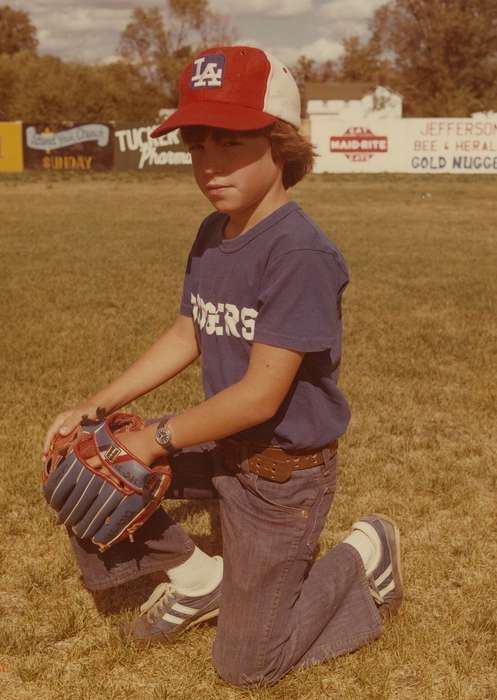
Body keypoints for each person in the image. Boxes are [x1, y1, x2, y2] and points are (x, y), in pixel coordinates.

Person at [42, 45, 403, 688]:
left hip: (280, 477)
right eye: (197, 146)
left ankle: (363, 552)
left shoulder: (300, 252)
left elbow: (261, 397)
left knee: (247, 665)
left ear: (281, 145)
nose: (210, 164)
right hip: (221, 449)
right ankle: (198, 578)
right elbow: (190, 332)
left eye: (231, 142)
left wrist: (151, 439)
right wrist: (96, 409)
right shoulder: (215, 231)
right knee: (81, 460)